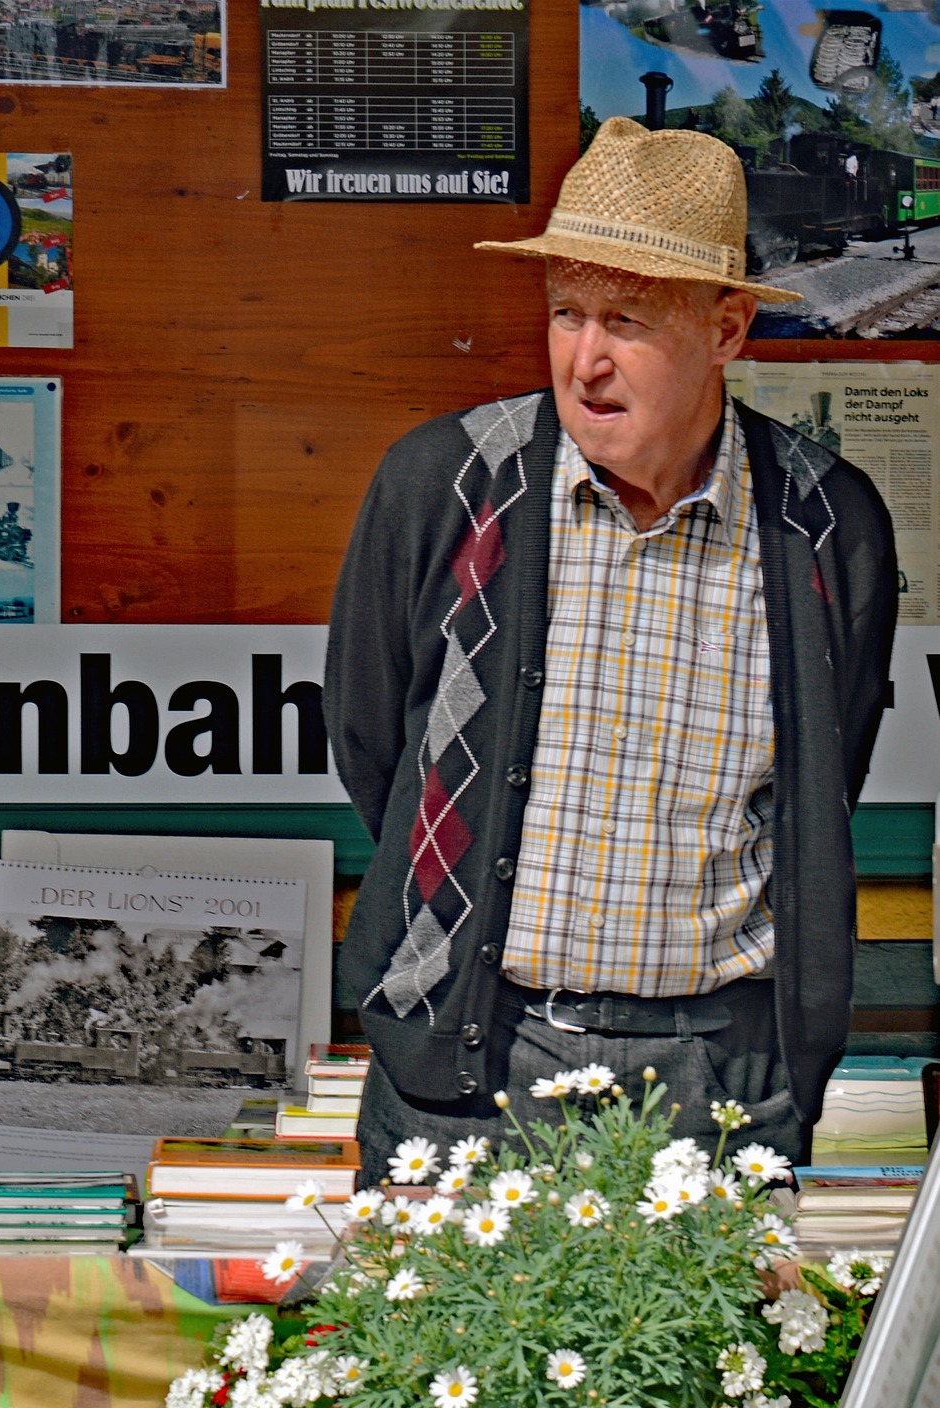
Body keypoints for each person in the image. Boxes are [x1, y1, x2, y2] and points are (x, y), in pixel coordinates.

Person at [325, 119, 898, 1186]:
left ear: (725, 330)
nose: (582, 360)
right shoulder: (446, 487)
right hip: (467, 1059)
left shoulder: (824, 525)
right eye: (564, 314)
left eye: (625, 322)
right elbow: (373, 746)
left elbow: (826, 779)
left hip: (719, 1074)